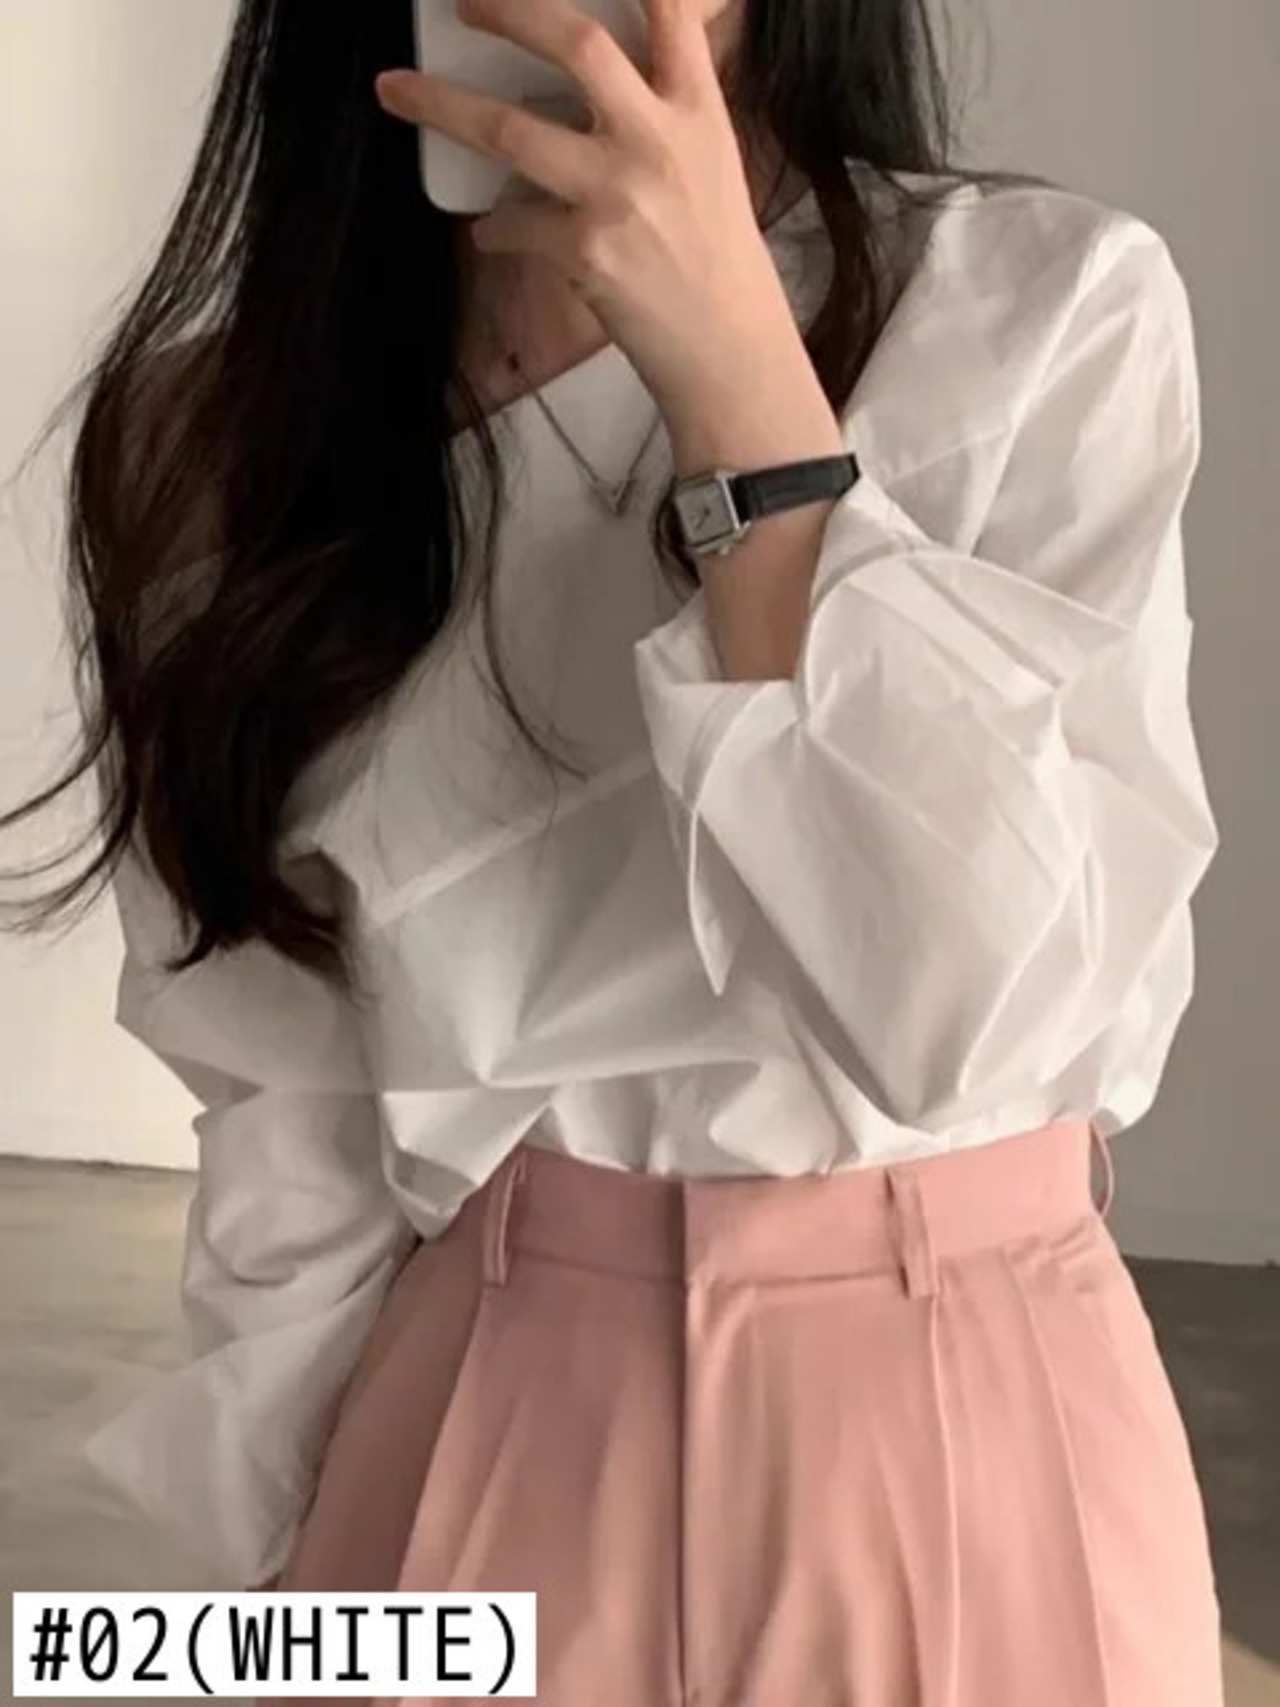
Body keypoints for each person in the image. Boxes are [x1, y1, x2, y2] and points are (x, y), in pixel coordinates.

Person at [1, 0, 1224, 1700]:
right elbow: (275, 1084)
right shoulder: (214, 442)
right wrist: (288, 1583)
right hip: (469, 1412)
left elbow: (965, 1019)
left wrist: (744, 400)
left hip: (964, 1413)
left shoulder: (1036, 312)